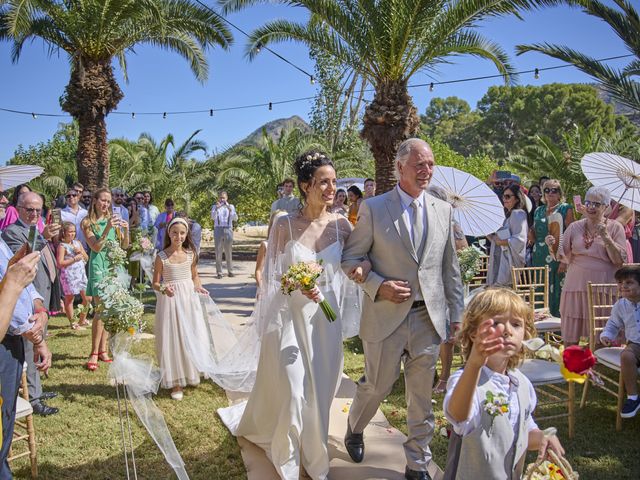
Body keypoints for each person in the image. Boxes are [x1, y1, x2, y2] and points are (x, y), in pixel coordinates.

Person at [218, 149, 369, 480]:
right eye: (323, 183)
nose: (332, 189)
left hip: (326, 320)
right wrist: (293, 287)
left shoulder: (343, 225)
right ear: (305, 185)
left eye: (334, 182)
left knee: (322, 393)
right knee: (293, 388)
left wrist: (362, 269)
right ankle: (288, 458)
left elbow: (356, 262)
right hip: (289, 317)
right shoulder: (284, 224)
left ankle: (315, 455)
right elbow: (271, 276)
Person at [341, 138, 464, 480]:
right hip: (385, 315)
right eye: (419, 165)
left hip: (429, 316)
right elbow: (350, 258)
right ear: (399, 167)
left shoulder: (443, 210)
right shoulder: (375, 207)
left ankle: (417, 464)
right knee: (378, 386)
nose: (427, 171)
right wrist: (378, 284)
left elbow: (449, 269)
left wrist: (457, 316)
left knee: (421, 396)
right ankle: (354, 426)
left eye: (430, 164)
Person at [443, 288, 564, 479]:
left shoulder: (522, 384)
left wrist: (542, 437)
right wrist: (474, 364)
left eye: (516, 324)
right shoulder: (464, 380)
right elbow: (458, 416)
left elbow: (523, 430)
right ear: (474, 333)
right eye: (496, 323)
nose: (507, 330)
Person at [2, 191, 61, 416]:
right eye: (30, 209)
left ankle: (38, 388)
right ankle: (33, 398)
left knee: (40, 340)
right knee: (30, 345)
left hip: (40, 295)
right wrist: (44, 237)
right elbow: (26, 260)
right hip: (23, 299)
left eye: (39, 209)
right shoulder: (11, 232)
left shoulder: (36, 228)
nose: (35, 213)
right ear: (18, 209)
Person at [0, 241, 52, 478]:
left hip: (12, 345)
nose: (3, 201)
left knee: (5, 427)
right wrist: (11, 284)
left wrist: (38, 310)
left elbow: (26, 288)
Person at [558, 186, 626, 345]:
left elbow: (619, 260)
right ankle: (575, 360)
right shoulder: (575, 226)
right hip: (575, 285)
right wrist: (552, 245)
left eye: (597, 204)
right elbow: (560, 254)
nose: (591, 207)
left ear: (606, 207)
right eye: (588, 202)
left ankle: (600, 360)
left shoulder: (615, 227)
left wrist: (606, 237)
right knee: (575, 328)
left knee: (601, 325)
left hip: (603, 286)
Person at [152, 217, 210, 400]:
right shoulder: (161, 256)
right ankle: (175, 380)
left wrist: (198, 286)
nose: (178, 236)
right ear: (169, 233)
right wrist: (163, 288)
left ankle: (190, 372)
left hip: (188, 299)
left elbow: (194, 275)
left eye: (182, 233)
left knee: (189, 334)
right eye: (175, 232)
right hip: (170, 300)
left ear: (187, 235)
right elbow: (155, 283)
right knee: (173, 337)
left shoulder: (191, 254)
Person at [426, 185, 468, 395]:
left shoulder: (452, 224)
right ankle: (428, 373)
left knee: (445, 334)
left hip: (444, 284)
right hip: (425, 285)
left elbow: (464, 250)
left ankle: (444, 377)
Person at [82, 188, 130, 371]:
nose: (106, 204)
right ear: (94, 200)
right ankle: (94, 352)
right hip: (98, 267)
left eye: (108, 201)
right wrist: (108, 227)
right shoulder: (87, 223)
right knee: (100, 310)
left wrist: (125, 230)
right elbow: (95, 247)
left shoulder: (114, 221)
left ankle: (103, 351)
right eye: (103, 200)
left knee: (109, 310)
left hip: (113, 268)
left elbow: (124, 246)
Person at [529, 180, 574, 317]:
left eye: (554, 190)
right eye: (547, 190)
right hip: (539, 255)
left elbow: (572, 235)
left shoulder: (565, 208)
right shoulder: (538, 210)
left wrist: (565, 260)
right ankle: (542, 326)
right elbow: (536, 233)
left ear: (560, 193)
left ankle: (558, 328)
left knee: (557, 289)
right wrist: (530, 233)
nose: (550, 193)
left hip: (558, 255)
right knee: (540, 287)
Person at [601, 265, 640, 418]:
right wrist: (607, 335)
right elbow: (613, 324)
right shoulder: (620, 305)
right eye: (620, 283)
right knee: (626, 356)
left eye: (629, 282)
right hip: (635, 345)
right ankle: (633, 398)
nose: (623, 286)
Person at [487, 185, 528, 287]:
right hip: (500, 257)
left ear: (517, 199)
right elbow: (498, 239)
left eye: (508, 196)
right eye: (503, 196)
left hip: (509, 260)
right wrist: (488, 234)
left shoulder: (518, 214)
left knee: (503, 288)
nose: (504, 199)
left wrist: (500, 241)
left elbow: (520, 239)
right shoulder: (507, 216)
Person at [56, 222, 89, 330]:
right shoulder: (62, 246)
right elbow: (59, 263)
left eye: (74, 231)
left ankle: (82, 320)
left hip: (81, 274)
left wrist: (80, 252)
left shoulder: (78, 243)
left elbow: (86, 258)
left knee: (88, 298)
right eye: (70, 232)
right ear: (64, 233)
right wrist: (74, 259)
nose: (72, 234)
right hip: (69, 275)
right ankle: (73, 323)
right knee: (70, 299)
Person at [254, 210, 288, 292]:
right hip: (268, 288)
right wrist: (261, 288)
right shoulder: (265, 245)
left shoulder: (290, 246)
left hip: (286, 288)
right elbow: (258, 270)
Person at [210, 191, 238, 279]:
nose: (222, 199)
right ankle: (219, 272)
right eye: (221, 197)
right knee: (218, 251)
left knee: (228, 251)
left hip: (228, 228)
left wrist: (231, 211)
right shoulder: (215, 206)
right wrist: (217, 209)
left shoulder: (231, 206)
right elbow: (212, 217)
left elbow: (235, 219)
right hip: (218, 229)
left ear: (227, 198)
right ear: (218, 198)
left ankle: (230, 271)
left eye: (224, 198)